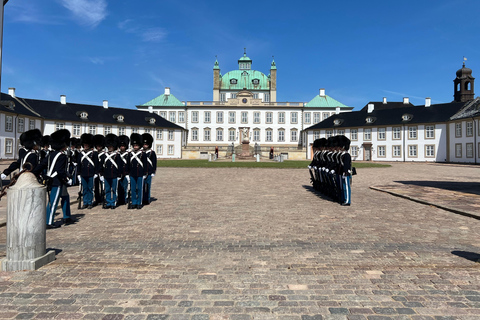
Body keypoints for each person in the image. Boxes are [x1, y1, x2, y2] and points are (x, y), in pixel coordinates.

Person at [34, 129, 74, 228]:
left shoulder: (51, 154)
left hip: (52, 180)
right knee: (53, 202)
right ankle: (49, 222)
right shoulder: (62, 156)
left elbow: (42, 165)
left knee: (64, 197)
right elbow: (60, 171)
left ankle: (66, 216)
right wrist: (66, 179)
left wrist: (33, 172)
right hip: (57, 181)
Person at [77, 133, 99, 209]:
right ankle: (85, 202)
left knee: (90, 189)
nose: (86, 146)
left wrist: (96, 173)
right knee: (85, 189)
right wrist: (78, 174)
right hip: (83, 173)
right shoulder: (80, 154)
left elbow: (96, 163)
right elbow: (79, 164)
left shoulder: (94, 153)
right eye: (84, 144)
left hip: (91, 173)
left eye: (87, 144)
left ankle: (90, 202)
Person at [101, 134, 122, 209]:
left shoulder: (117, 155)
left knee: (114, 189)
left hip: (114, 174)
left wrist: (119, 175)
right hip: (106, 175)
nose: (110, 148)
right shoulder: (104, 155)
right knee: (107, 189)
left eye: (111, 146)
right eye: (109, 146)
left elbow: (119, 165)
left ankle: (113, 202)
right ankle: (108, 201)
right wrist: (101, 175)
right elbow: (102, 165)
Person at [129, 133, 147, 209]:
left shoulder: (143, 154)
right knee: (133, 189)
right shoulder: (130, 154)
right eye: (134, 145)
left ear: (139, 145)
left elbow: (145, 164)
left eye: (136, 145)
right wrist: (127, 174)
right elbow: (128, 164)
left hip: (140, 173)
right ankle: (134, 202)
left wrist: (145, 173)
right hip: (132, 173)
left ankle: (139, 202)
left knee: (139, 189)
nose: (135, 146)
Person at [142, 133, 156, 205]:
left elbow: (154, 162)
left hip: (149, 172)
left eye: (146, 144)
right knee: (142, 187)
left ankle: (147, 199)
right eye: (144, 144)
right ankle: (142, 198)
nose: (145, 145)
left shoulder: (152, 153)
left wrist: (153, 171)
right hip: (142, 172)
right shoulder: (141, 153)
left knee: (148, 186)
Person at [117, 135, 130, 206]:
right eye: (121, 146)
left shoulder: (128, 154)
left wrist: (128, 173)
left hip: (125, 172)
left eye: (123, 146)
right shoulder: (117, 154)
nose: (122, 147)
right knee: (119, 188)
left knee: (125, 187)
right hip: (119, 173)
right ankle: (120, 199)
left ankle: (125, 199)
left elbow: (129, 164)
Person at [93, 134, 106, 207]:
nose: (98, 147)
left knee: (103, 186)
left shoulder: (104, 154)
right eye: (97, 146)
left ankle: (103, 198)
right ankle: (97, 199)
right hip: (95, 172)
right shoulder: (94, 154)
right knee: (96, 187)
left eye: (100, 146)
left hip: (102, 172)